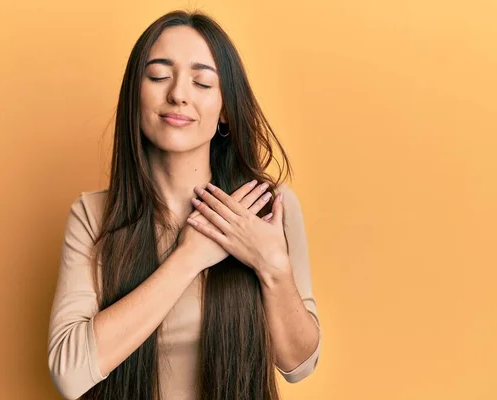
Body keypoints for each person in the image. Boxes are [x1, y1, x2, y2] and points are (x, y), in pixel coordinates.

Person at [47, 9, 321, 400]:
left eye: (202, 82)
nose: (178, 94)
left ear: (225, 110)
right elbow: (69, 374)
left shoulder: (269, 208)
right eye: (159, 76)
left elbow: (299, 365)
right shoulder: (92, 215)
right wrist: (189, 257)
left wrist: (273, 267)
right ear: (134, 96)